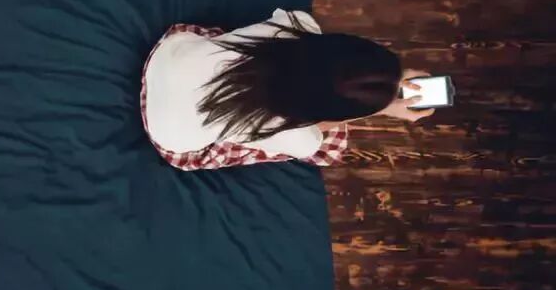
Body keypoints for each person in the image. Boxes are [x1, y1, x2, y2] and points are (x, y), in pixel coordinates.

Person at [141, 9, 432, 170]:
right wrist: (384, 108)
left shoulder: (296, 23)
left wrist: (390, 81)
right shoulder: (295, 136)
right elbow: (319, 129)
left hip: (166, 57)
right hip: (166, 134)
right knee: (324, 148)